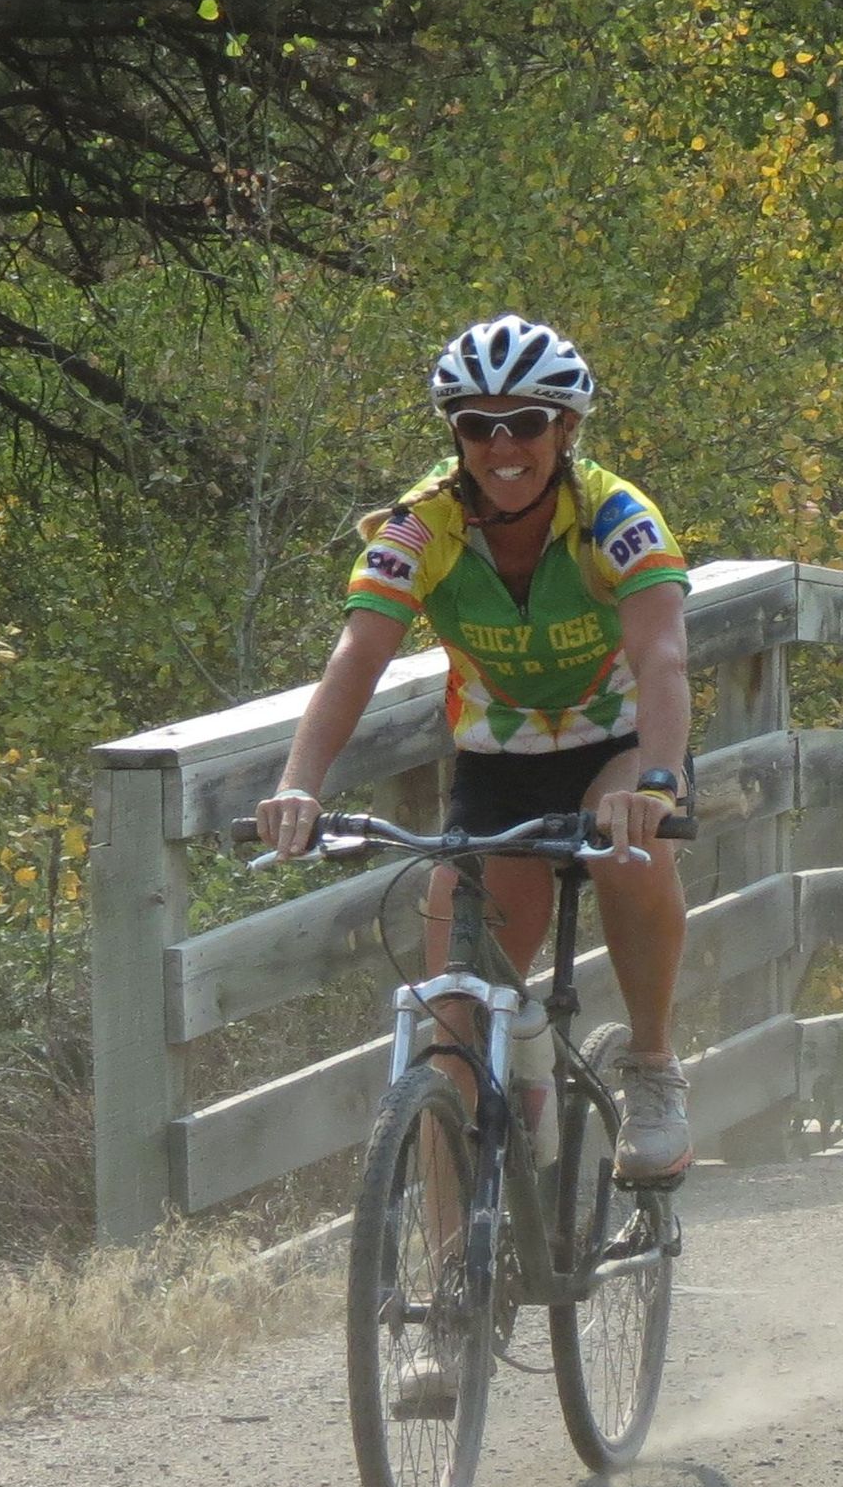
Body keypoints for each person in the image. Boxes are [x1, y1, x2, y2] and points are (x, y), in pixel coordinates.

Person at [253, 315, 700, 1186]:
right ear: (453, 434)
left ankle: (652, 1069)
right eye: (476, 424)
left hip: (617, 740)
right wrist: (297, 787)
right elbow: (358, 657)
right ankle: (458, 1283)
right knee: (453, 1015)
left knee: (631, 855)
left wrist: (656, 781)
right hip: (499, 760)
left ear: (565, 431)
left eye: (526, 423)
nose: (503, 446)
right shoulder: (422, 526)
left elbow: (664, 656)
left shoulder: (618, 515)